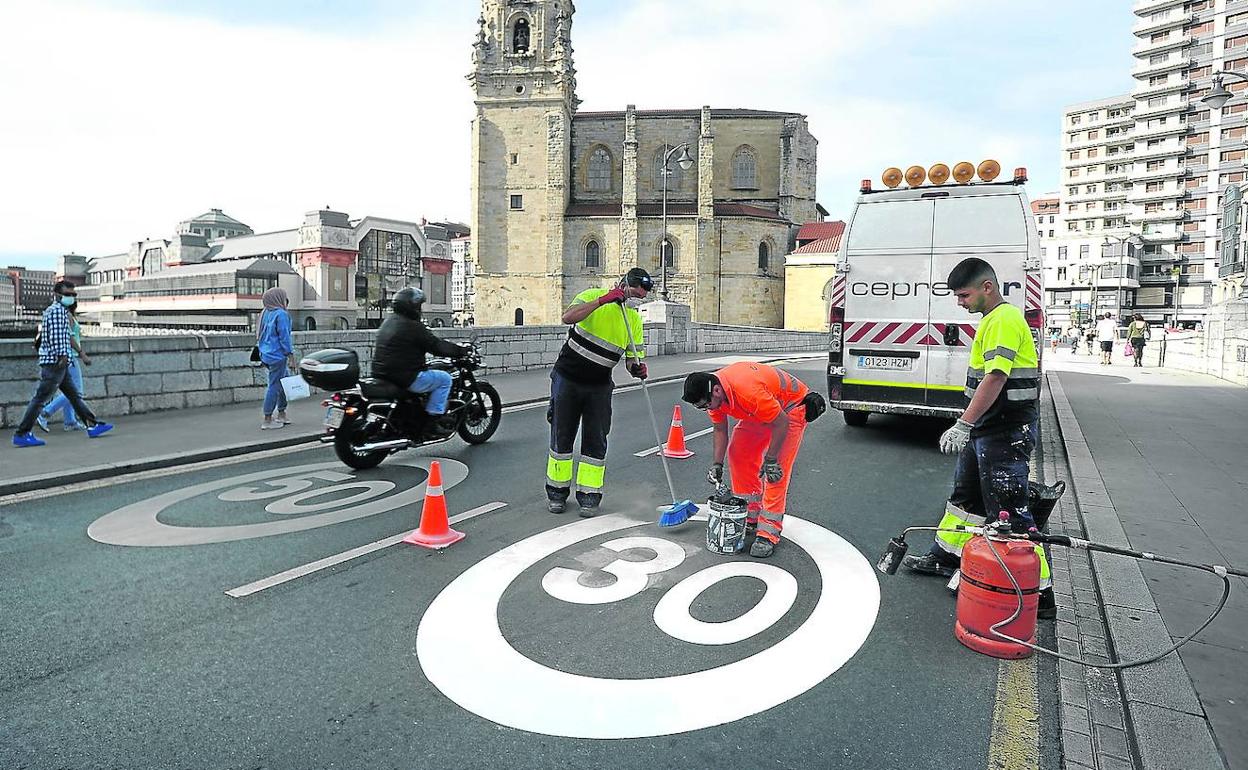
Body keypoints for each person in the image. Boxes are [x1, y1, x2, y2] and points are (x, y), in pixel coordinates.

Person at [901, 257, 1053, 617]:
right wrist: (970, 424)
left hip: (1004, 430)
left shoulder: (1003, 320)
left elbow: (996, 377)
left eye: (964, 295)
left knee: (1011, 513)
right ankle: (946, 557)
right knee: (964, 498)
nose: (960, 303)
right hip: (988, 427)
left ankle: (1039, 594)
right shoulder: (993, 319)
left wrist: (964, 423)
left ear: (988, 287)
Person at [682, 363, 817, 559]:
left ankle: (768, 533)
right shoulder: (714, 395)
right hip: (762, 410)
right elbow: (720, 429)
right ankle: (751, 515)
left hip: (790, 409)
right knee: (739, 453)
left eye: (705, 405)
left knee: (775, 471)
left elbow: (781, 422)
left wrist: (770, 459)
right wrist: (717, 464)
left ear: (717, 391)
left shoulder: (747, 392)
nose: (706, 409)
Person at [545, 268, 651, 516]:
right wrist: (603, 300)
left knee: (596, 440)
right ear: (622, 284)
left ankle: (589, 496)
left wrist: (637, 369)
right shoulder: (591, 295)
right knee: (562, 436)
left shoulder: (633, 321)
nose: (634, 299)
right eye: (633, 293)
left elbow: (630, 361)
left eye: (640, 298)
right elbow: (568, 317)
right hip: (567, 379)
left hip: (599, 385)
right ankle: (557, 493)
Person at [12, 281, 113, 447]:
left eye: (73, 295)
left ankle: (92, 425)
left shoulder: (53, 310)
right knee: (40, 398)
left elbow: (58, 336)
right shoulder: (59, 311)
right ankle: (22, 433)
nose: (71, 297)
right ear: (58, 295)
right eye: (68, 294)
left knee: (73, 395)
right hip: (56, 363)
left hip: (56, 362)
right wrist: (64, 357)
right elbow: (59, 337)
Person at [372, 285, 472, 438]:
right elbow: (436, 346)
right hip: (406, 376)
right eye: (419, 306)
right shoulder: (413, 326)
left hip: (382, 374)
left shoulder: (389, 322)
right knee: (444, 379)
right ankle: (433, 422)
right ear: (412, 307)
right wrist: (460, 351)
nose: (420, 309)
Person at [37, 301, 91, 432]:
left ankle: (70, 421)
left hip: (68, 355)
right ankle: (45, 413)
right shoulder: (67, 315)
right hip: (70, 356)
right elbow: (70, 337)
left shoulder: (64, 315)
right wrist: (81, 353)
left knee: (71, 390)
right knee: (76, 391)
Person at [257, 287, 296, 430]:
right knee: (274, 386)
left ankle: (282, 413)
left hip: (265, 354)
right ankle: (267, 418)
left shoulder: (265, 312)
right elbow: (284, 337)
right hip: (277, 355)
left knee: (283, 382)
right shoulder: (281, 314)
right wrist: (291, 356)